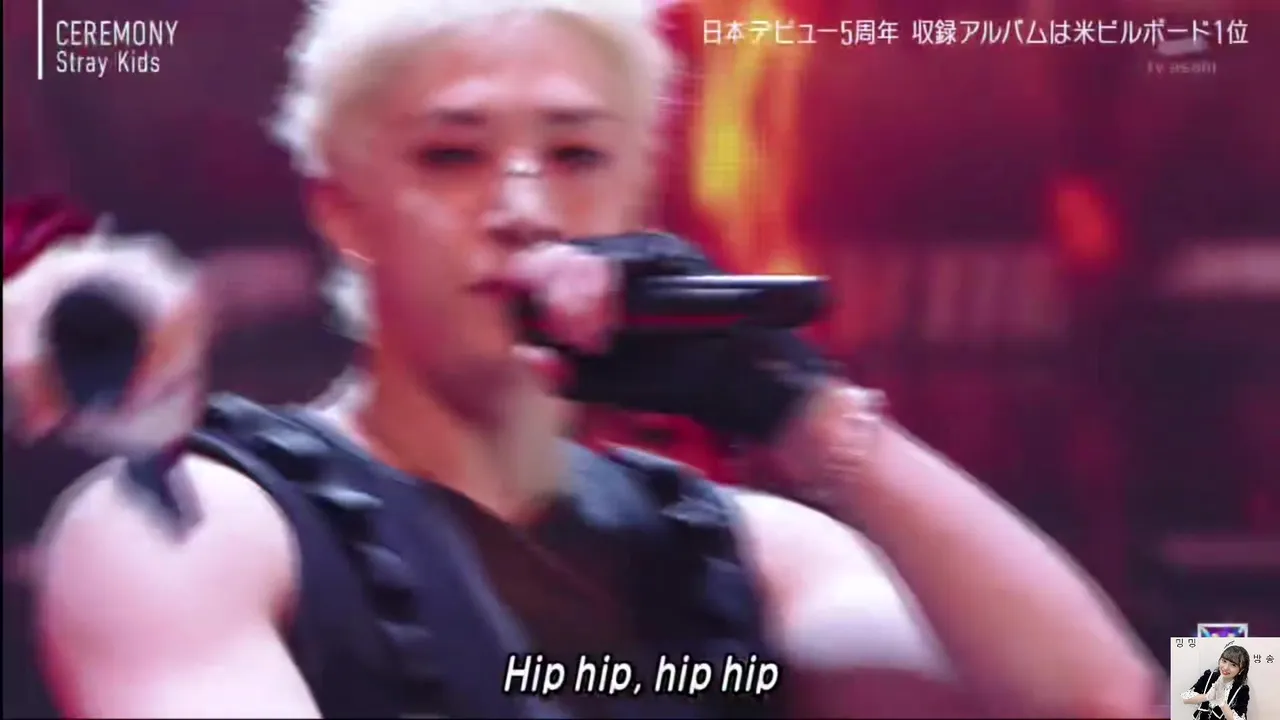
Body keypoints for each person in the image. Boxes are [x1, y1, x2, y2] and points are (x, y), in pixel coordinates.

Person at [24, 0, 1159, 717]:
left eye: (574, 156)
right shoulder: (185, 525)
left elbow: (1113, 703)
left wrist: (799, 409)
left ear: (635, 198)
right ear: (342, 208)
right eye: (451, 156)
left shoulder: (754, 552)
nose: (522, 210)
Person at [1181, 645, 1251, 720]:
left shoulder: (1241, 690)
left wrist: (1222, 703)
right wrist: (1207, 696)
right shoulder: (1209, 677)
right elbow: (1185, 699)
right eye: (1224, 661)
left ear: (1241, 670)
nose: (1226, 667)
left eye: (1233, 665)